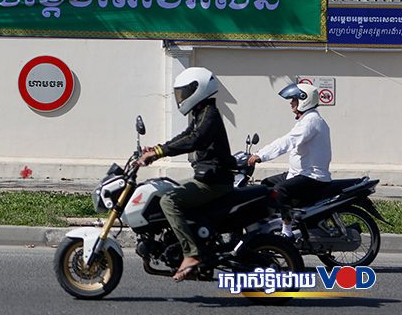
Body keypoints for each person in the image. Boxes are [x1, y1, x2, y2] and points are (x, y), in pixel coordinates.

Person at [138, 67, 235, 282]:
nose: (181, 97)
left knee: (168, 202)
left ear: (198, 89)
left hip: (213, 181)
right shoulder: (203, 113)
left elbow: (195, 139)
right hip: (208, 177)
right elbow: (187, 135)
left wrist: (159, 152)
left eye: (185, 92)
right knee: (166, 189)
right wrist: (156, 150)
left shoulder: (209, 114)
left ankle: (191, 253)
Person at [247, 82, 331, 238]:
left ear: (304, 100)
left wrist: (261, 155)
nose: (291, 103)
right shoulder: (305, 120)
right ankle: (273, 223)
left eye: (294, 99)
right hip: (299, 173)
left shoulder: (311, 121)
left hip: (312, 176)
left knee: (280, 190)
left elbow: (287, 142)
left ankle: (287, 231)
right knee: (266, 184)